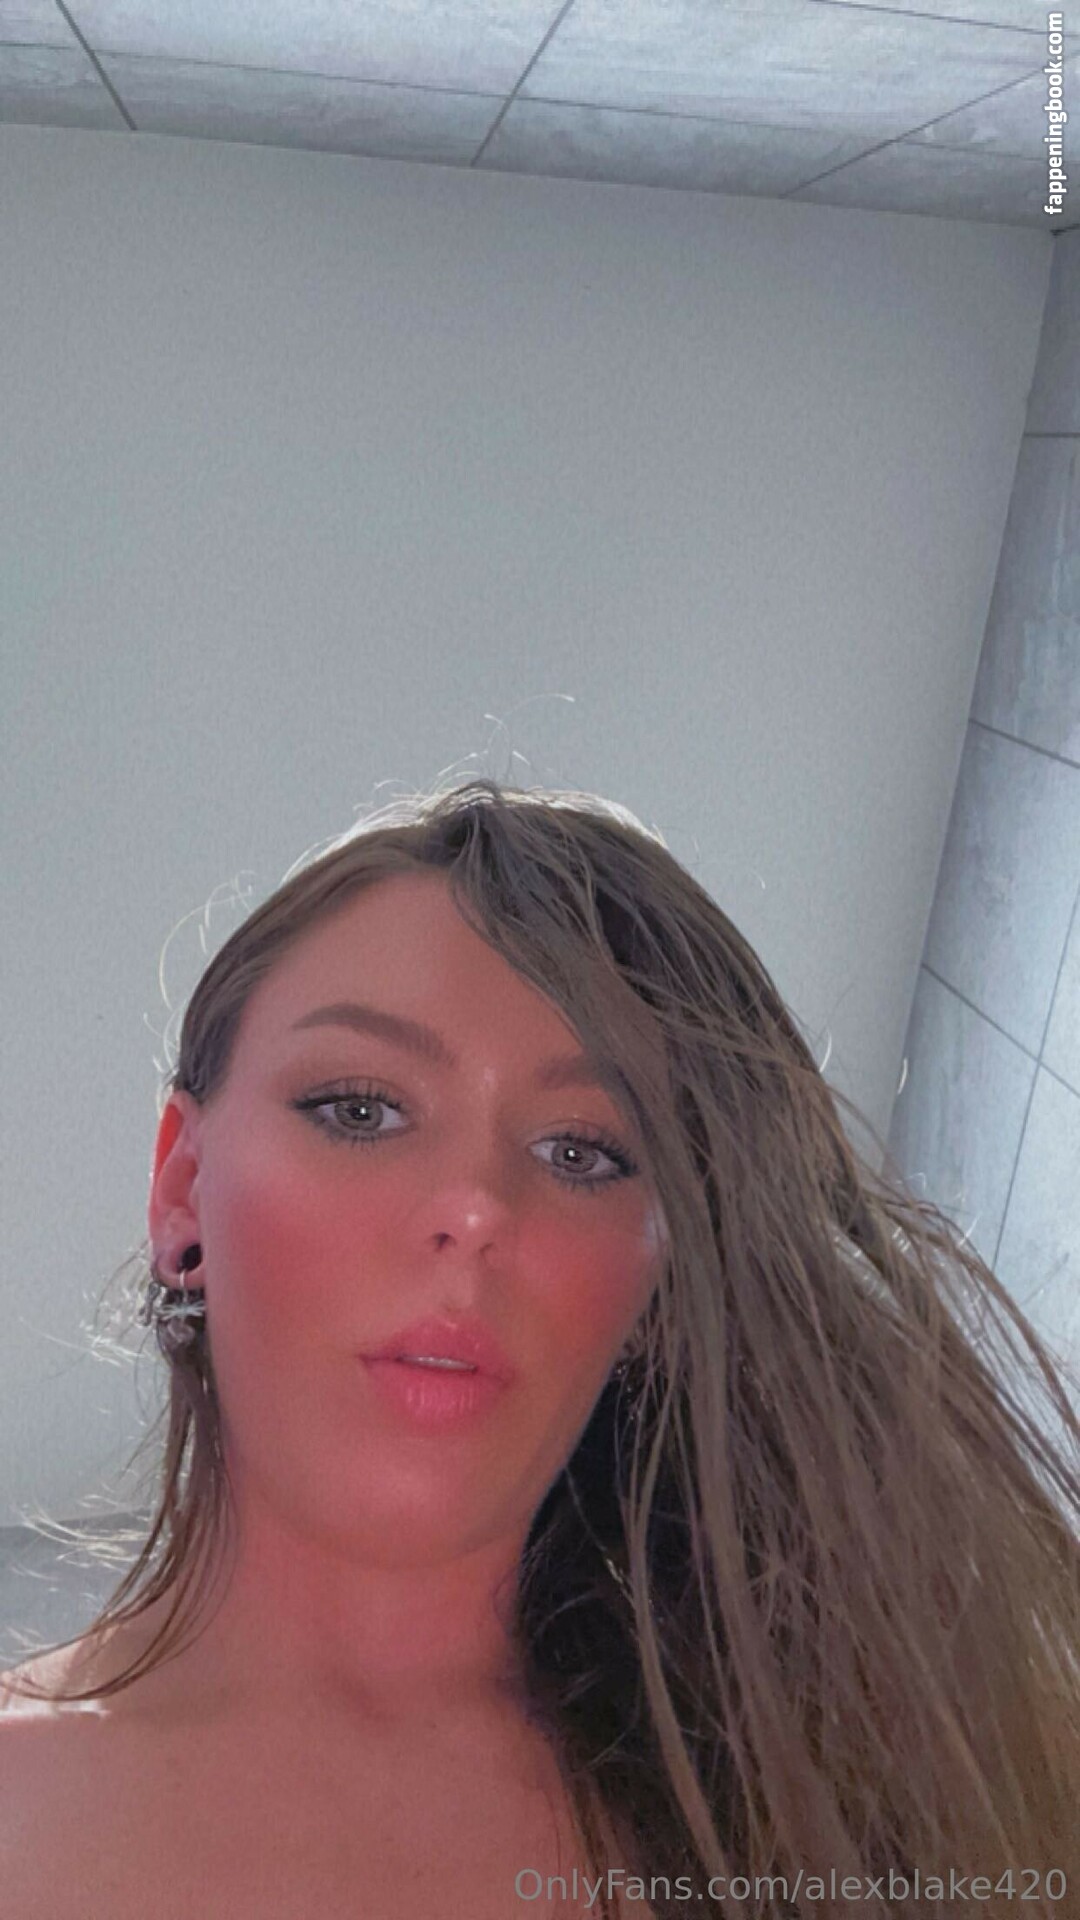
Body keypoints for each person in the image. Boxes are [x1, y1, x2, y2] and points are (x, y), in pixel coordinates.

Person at [2, 777, 1077, 1920]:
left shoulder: (883, 1785)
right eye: (360, 1109)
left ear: (659, 1288)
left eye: (582, 1153)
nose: (475, 1207)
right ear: (181, 1189)